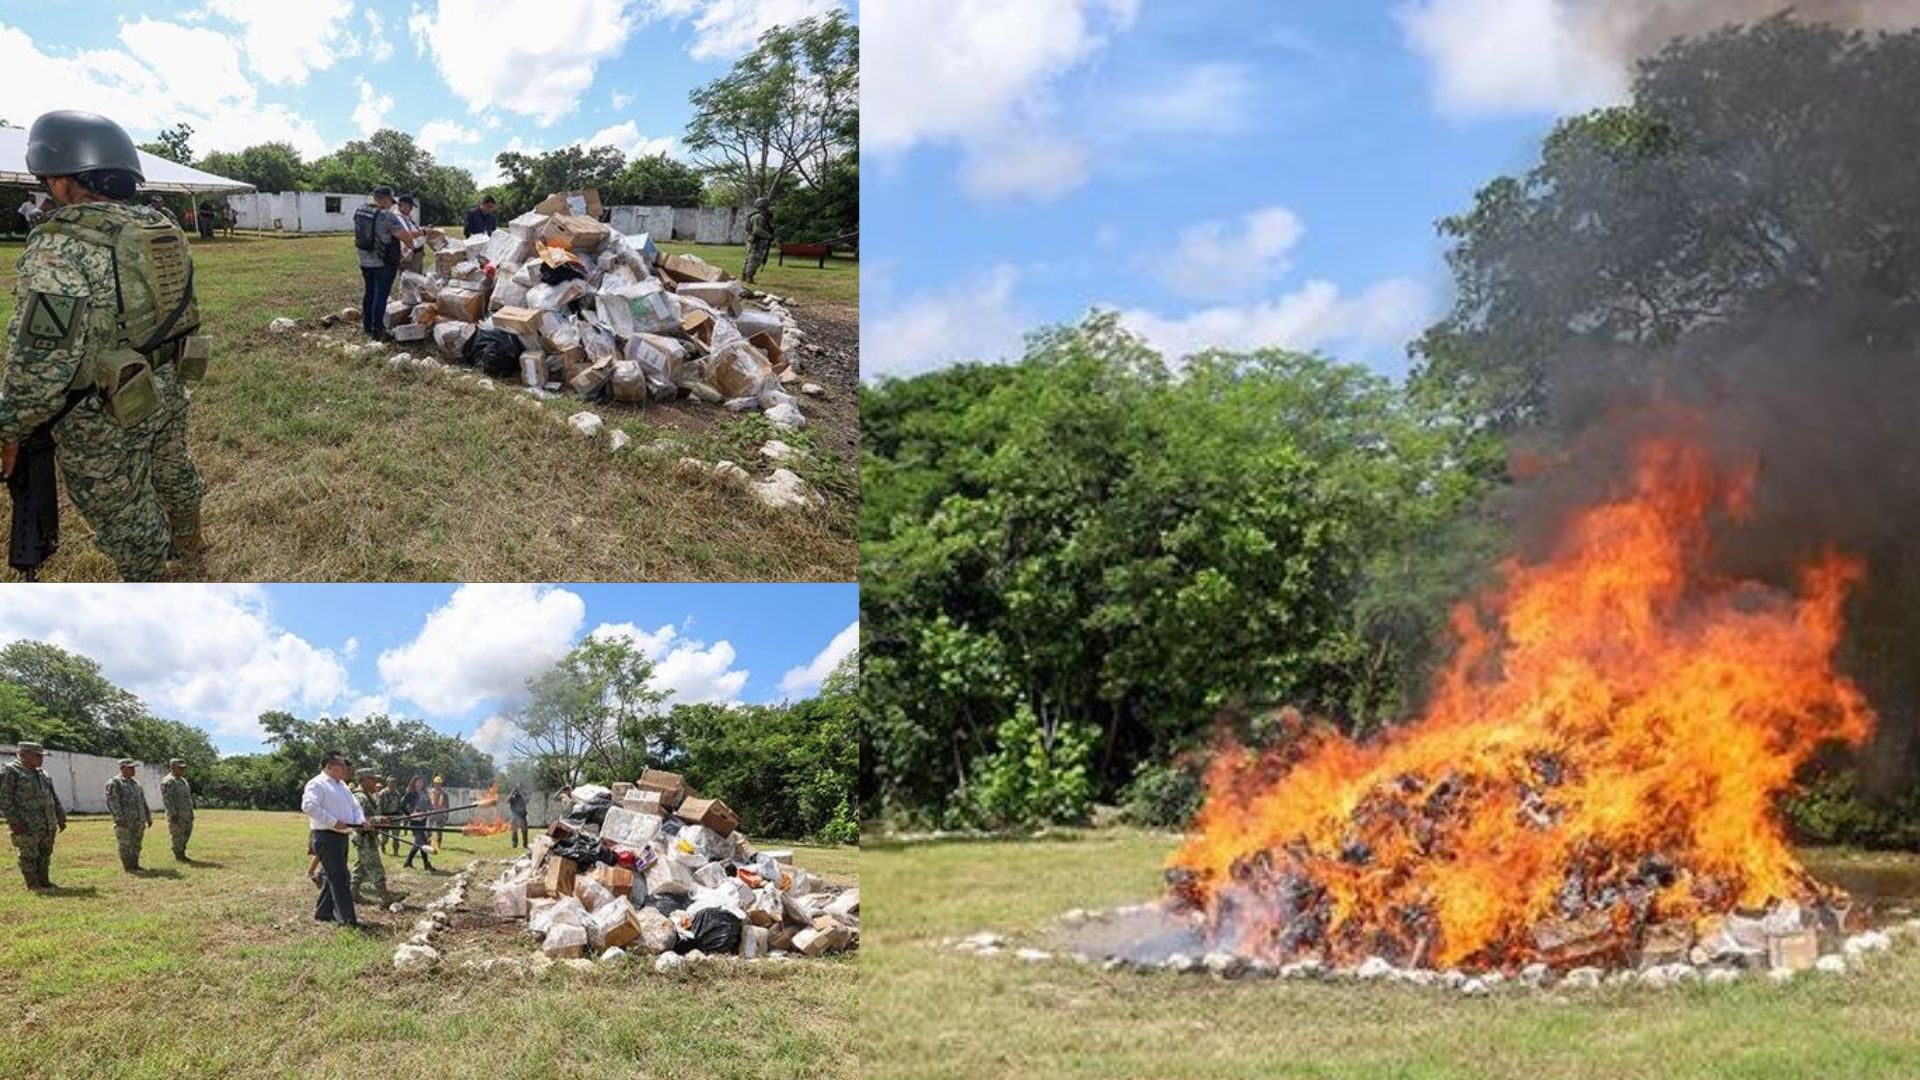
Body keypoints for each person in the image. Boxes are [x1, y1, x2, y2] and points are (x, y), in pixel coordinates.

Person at [1, 110, 209, 582]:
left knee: (122, 507)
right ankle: (188, 540)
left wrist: (11, 427)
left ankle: (150, 578)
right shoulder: (162, 226)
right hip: (168, 379)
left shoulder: (61, 245)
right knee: (172, 464)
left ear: (58, 177)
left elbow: (41, 363)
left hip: (101, 409)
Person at [300, 749, 368, 928]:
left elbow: (355, 806)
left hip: (341, 836)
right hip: (326, 836)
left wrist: (361, 821)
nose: (345, 769)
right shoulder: (317, 783)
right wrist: (333, 822)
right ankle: (348, 920)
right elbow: (308, 806)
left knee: (334, 876)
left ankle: (323, 913)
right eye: (342, 765)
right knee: (340, 878)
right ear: (329, 766)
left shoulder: (342, 785)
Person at [0, 742, 65, 889]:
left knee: (45, 853)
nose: (41, 759)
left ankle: (44, 880)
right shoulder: (11, 771)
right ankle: (33, 883)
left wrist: (60, 816)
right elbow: (4, 798)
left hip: (47, 822)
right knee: (29, 854)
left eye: (41, 756)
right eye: (37, 756)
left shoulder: (42, 773)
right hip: (26, 823)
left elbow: (53, 796)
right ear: (23, 754)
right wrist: (14, 821)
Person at [353, 185, 402, 341]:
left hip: (363, 260)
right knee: (380, 295)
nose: (392, 205)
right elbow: (405, 236)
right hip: (382, 262)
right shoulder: (387, 216)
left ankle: (367, 326)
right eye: (391, 202)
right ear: (385, 199)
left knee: (369, 292)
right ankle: (377, 330)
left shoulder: (360, 211)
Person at [349, 769, 403, 906]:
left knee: (361, 867)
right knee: (376, 868)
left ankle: (352, 893)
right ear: (364, 780)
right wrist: (379, 819)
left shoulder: (367, 795)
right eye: (373, 779)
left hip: (369, 836)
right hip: (364, 837)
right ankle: (385, 898)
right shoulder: (360, 797)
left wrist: (382, 819)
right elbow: (360, 820)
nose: (376, 783)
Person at [105, 758, 152, 872]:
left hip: (138, 820)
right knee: (125, 844)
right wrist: (118, 818)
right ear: (122, 768)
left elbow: (142, 801)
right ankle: (128, 866)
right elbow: (112, 802)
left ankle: (135, 864)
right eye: (130, 768)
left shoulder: (136, 783)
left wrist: (147, 816)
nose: (133, 770)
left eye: (133, 768)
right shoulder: (115, 783)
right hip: (125, 821)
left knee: (136, 844)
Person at [159, 757, 194, 861]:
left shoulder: (182, 780)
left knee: (186, 834)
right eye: (180, 768)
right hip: (177, 815)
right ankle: (179, 855)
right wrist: (173, 815)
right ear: (172, 767)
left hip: (186, 814)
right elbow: (167, 800)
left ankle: (182, 852)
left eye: (183, 768)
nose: (183, 770)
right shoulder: (169, 781)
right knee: (177, 835)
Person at [401, 775, 436, 872]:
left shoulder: (425, 793)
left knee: (418, 843)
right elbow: (402, 805)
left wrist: (428, 811)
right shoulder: (410, 793)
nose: (421, 783)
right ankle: (426, 865)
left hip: (423, 821)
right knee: (423, 842)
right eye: (419, 782)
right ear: (414, 783)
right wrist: (410, 814)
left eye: (422, 782)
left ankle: (408, 862)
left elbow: (429, 805)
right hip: (415, 822)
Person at [742, 196, 774, 283]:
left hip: (753, 239)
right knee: (754, 259)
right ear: (762, 206)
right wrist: (768, 236)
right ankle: (749, 277)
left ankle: (745, 276)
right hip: (757, 240)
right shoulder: (759, 217)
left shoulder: (754, 216)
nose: (768, 208)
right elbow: (757, 230)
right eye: (767, 206)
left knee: (749, 258)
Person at [394, 194, 425, 276]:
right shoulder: (397, 218)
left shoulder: (406, 217)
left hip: (416, 253)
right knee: (410, 281)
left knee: (417, 279)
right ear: (402, 205)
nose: (411, 209)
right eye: (409, 206)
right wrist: (424, 232)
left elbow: (413, 229)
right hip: (409, 254)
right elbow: (407, 234)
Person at [375, 772, 404, 856]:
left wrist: (400, 815)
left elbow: (399, 806)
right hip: (385, 817)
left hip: (395, 817)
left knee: (396, 837)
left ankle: (396, 851)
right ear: (387, 783)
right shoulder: (382, 793)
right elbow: (379, 806)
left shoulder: (397, 794)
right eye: (391, 782)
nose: (392, 784)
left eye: (394, 783)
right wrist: (380, 818)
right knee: (385, 837)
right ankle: (383, 845)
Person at [507, 784, 529, 848]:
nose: (517, 792)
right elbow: (507, 801)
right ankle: (514, 844)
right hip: (515, 816)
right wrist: (512, 792)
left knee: (524, 831)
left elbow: (527, 800)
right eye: (516, 791)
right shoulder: (512, 798)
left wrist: (523, 793)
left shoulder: (522, 797)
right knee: (514, 831)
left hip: (522, 816)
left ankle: (525, 844)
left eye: (518, 790)